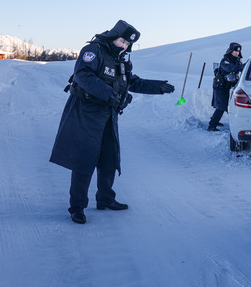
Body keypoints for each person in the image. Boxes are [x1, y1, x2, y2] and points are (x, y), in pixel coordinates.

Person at [50, 20, 175, 224]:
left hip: (108, 114)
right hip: (85, 113)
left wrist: (157, 86)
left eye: (127, 44)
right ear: (113, 36)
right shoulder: (93, 50)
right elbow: (83, 75)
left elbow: (131, 82)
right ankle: (77, 207)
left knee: (109, 158)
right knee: (85, 159)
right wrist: (111, 95)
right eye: (122, 41)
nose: (124, 46)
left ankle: (106, 198)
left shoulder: (121, 61)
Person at [208, 42, 243, 131]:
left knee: (221, 104)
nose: (237, 53)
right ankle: (212, 126)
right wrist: (240, 67)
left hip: (227, 86)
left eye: (238, 52)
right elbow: (229, 68)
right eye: (235, 51)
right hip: (220, 86)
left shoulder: (236, 60)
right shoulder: (225, 60)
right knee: (221, 106)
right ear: (231, 51)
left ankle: (214, 120)